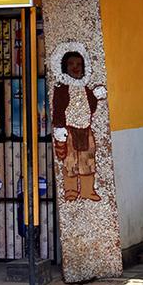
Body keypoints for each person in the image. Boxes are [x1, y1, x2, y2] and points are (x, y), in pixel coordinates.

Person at [51, 46, 106, 203]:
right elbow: (58, 108)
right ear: (64, 66)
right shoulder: (61, 89)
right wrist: (59, 128)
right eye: (71, 64)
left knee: (88, 161)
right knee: (70, 162)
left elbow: (91, 107)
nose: (75, 68)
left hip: (85, 129)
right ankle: (70, 191)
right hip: (69, 130)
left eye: (78, 64)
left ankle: (88, 191)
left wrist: (96, 95)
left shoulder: (85, 88)